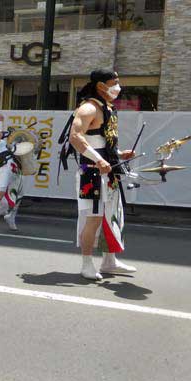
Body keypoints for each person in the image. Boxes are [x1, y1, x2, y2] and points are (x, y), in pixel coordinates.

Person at [67, 69, 136, 280]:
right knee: (94, 219)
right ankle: (87, 264)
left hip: (109, 170)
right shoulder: (88, 108)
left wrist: (118, 153)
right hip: (93, 173)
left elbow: (102, 141)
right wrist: (98, 159)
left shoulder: (108, 108)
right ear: (100, 85)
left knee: (113, 216)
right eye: (114, 82)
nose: (118, 86)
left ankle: (109, 261)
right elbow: (75, 137)